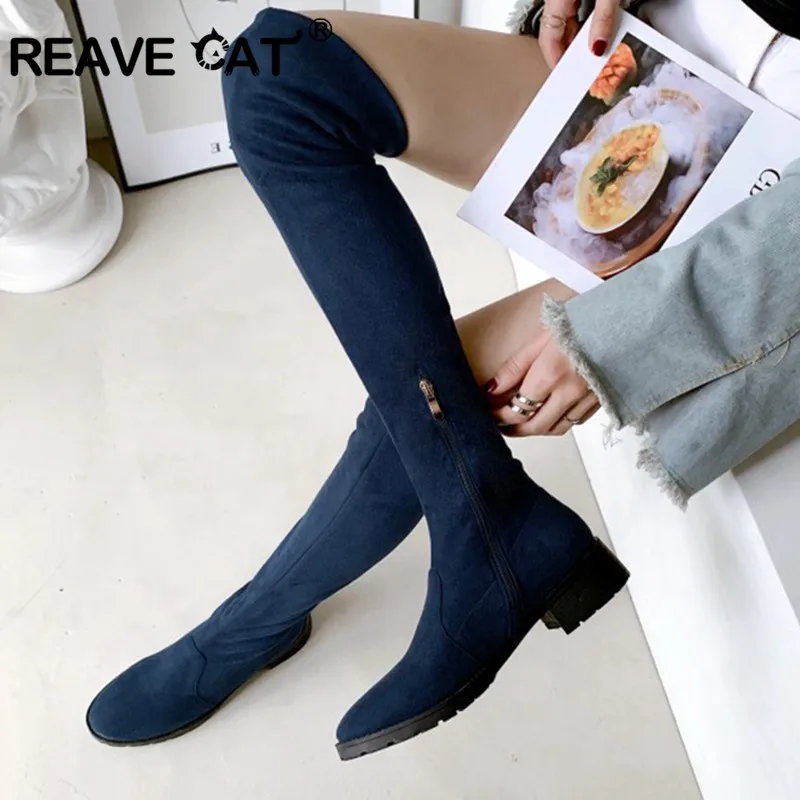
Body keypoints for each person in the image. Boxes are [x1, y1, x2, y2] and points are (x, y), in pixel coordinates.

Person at [85, 0, 800, 762]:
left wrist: (628, 330)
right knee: (282, 68)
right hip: (682, 32)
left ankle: (260, 618)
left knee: (437, 390)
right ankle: (486, 529)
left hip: (779, 187)